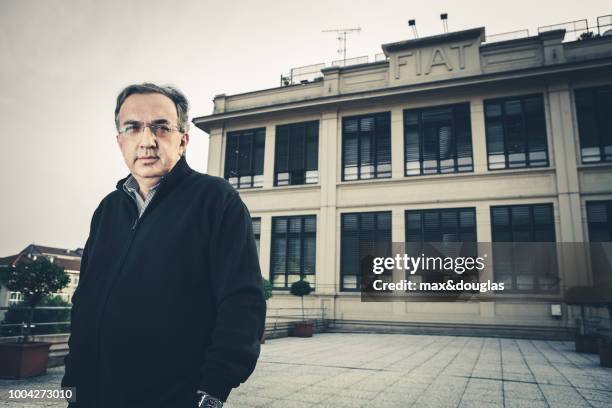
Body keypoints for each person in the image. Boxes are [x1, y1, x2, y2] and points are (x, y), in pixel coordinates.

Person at [61, 83, 266, 408]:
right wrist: (72, 380)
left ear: (183, 139)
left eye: (161, 127)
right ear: (120, 141)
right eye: (133, 128)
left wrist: (213, 390)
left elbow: (242, 301)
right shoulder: (107, 210)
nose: (146, 140)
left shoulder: (216, 200)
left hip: (173, 397)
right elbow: (85, 297)